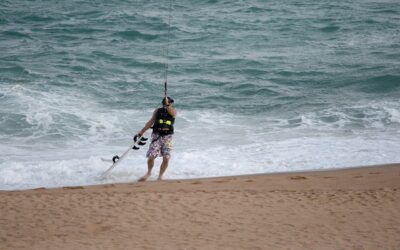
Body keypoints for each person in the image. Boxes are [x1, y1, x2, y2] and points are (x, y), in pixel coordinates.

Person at [136, 96, 176, 181]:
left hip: (167, 137)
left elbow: (172, 113)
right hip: (156, 136)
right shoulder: (157, 111)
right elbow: (151, 122)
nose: (171, 104)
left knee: (166, 158)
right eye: (169, 102)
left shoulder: (173, 110)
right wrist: (142, 131)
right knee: (151, 156)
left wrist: (168, 105)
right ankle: (148, 173)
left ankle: (160, 176)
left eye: (170, 103)